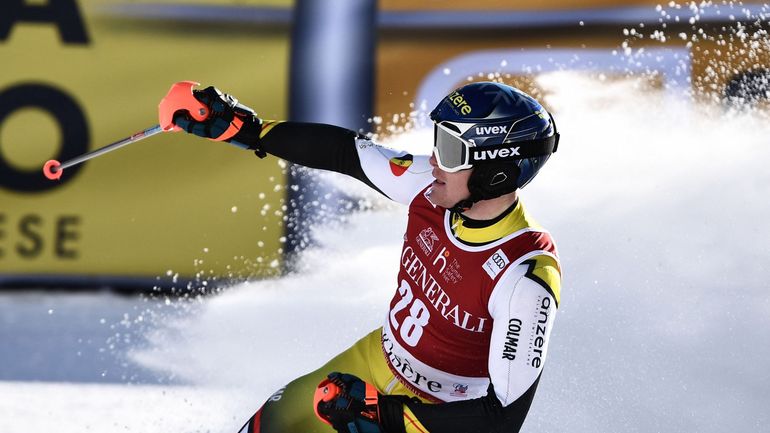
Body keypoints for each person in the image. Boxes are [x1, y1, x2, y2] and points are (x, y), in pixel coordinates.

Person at [165, 81, 561, 433]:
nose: (435, 160)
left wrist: (385, 415)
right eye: (438, 142)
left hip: (435, 419)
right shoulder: (431, 185)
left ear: (498, 170)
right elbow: (346, 152)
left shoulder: (524, 271)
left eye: (452, 150)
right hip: (371, 366)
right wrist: (248, 129)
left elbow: (503, 418)